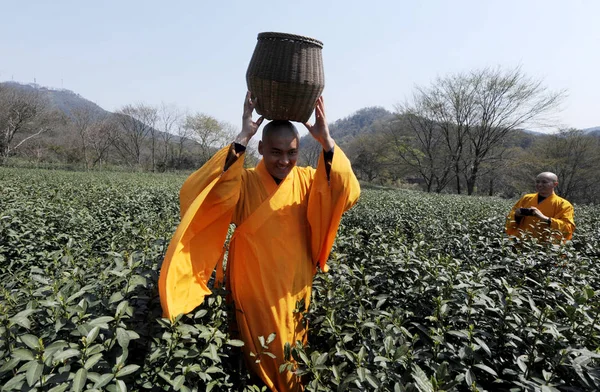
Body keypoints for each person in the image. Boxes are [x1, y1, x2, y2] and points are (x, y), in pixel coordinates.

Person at [158, 92, 360, 391]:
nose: (284, 160)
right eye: (275, 152)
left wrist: (327, 143)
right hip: (254, 282)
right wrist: (241, 137)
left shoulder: (307, 179)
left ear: (298, 149)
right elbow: (201, 191)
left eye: (291, 152)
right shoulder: (246, 181)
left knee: (293, 349)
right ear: (261, 148)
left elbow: (347, 193)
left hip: (295, 281)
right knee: (263, 353)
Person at [505, 172, 575, 242]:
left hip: (546, 246)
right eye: (537, 182)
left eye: (544, 182)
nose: (540, 185)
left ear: (555, 184)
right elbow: (510, 219)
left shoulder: (563, 204)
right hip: (522, 241)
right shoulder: (526, 198)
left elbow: (568, 228)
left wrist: (544, 218)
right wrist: (517, 215)